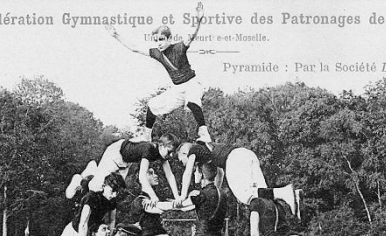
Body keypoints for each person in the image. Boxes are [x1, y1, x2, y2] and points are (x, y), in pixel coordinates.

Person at [105, 3, 211, 144]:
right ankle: (146, 135)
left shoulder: (179, 47)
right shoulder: (156, 53)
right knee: (152, 105)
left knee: (192, 102)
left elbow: (192, 35)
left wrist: (198, 19)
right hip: (178, 89)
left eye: (161, 39)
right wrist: (116, 35)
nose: (159, 43)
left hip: (192, 84)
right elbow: (134, 48)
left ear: (169, 39)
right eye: (156, 41)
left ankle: (204, 134)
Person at [175, 142, 298, 216]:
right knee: (262, 195)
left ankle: (284, 192)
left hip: (234, 159)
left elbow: (187, 173)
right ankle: (290, 202)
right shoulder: (205, 151)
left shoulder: (193, 149)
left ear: (185, 153)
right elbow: (220, 173)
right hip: (245, 154)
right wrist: (216, 193)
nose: (183, 164)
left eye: (182, 161)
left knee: (245, 196)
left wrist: (182, 196)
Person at [67, 135, 181, 205]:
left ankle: (93, 170)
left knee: (115, 189)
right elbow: (142, 177)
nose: (170, 156)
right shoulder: (149, 149)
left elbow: (170, 175)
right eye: (169, 152)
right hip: (115, 155)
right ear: (160, 146)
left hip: (125, 163)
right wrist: (153, 196)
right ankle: (81, 178)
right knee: (96, 187)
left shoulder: (162, 155)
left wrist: (177, 197)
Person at [52, 172, 125, 236]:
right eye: (113, 191)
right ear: (104, 186)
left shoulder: (112, 202)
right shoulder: (91, 198)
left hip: (86, 234)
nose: (115, 195)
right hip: (74, 231)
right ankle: (78, 183)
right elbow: (83, 224)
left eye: (118, 192)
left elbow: (112, 220)